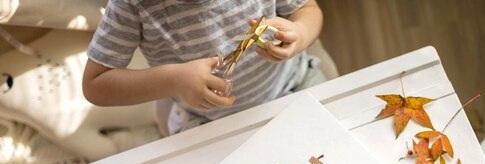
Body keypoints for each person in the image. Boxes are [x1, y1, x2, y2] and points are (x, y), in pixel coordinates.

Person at [83, 0, 323, 134]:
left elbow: (308, 10)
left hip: (294, 84)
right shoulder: (132, 5)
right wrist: (173, 79)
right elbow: (96, 84)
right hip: (208, 124)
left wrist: (300, 33)